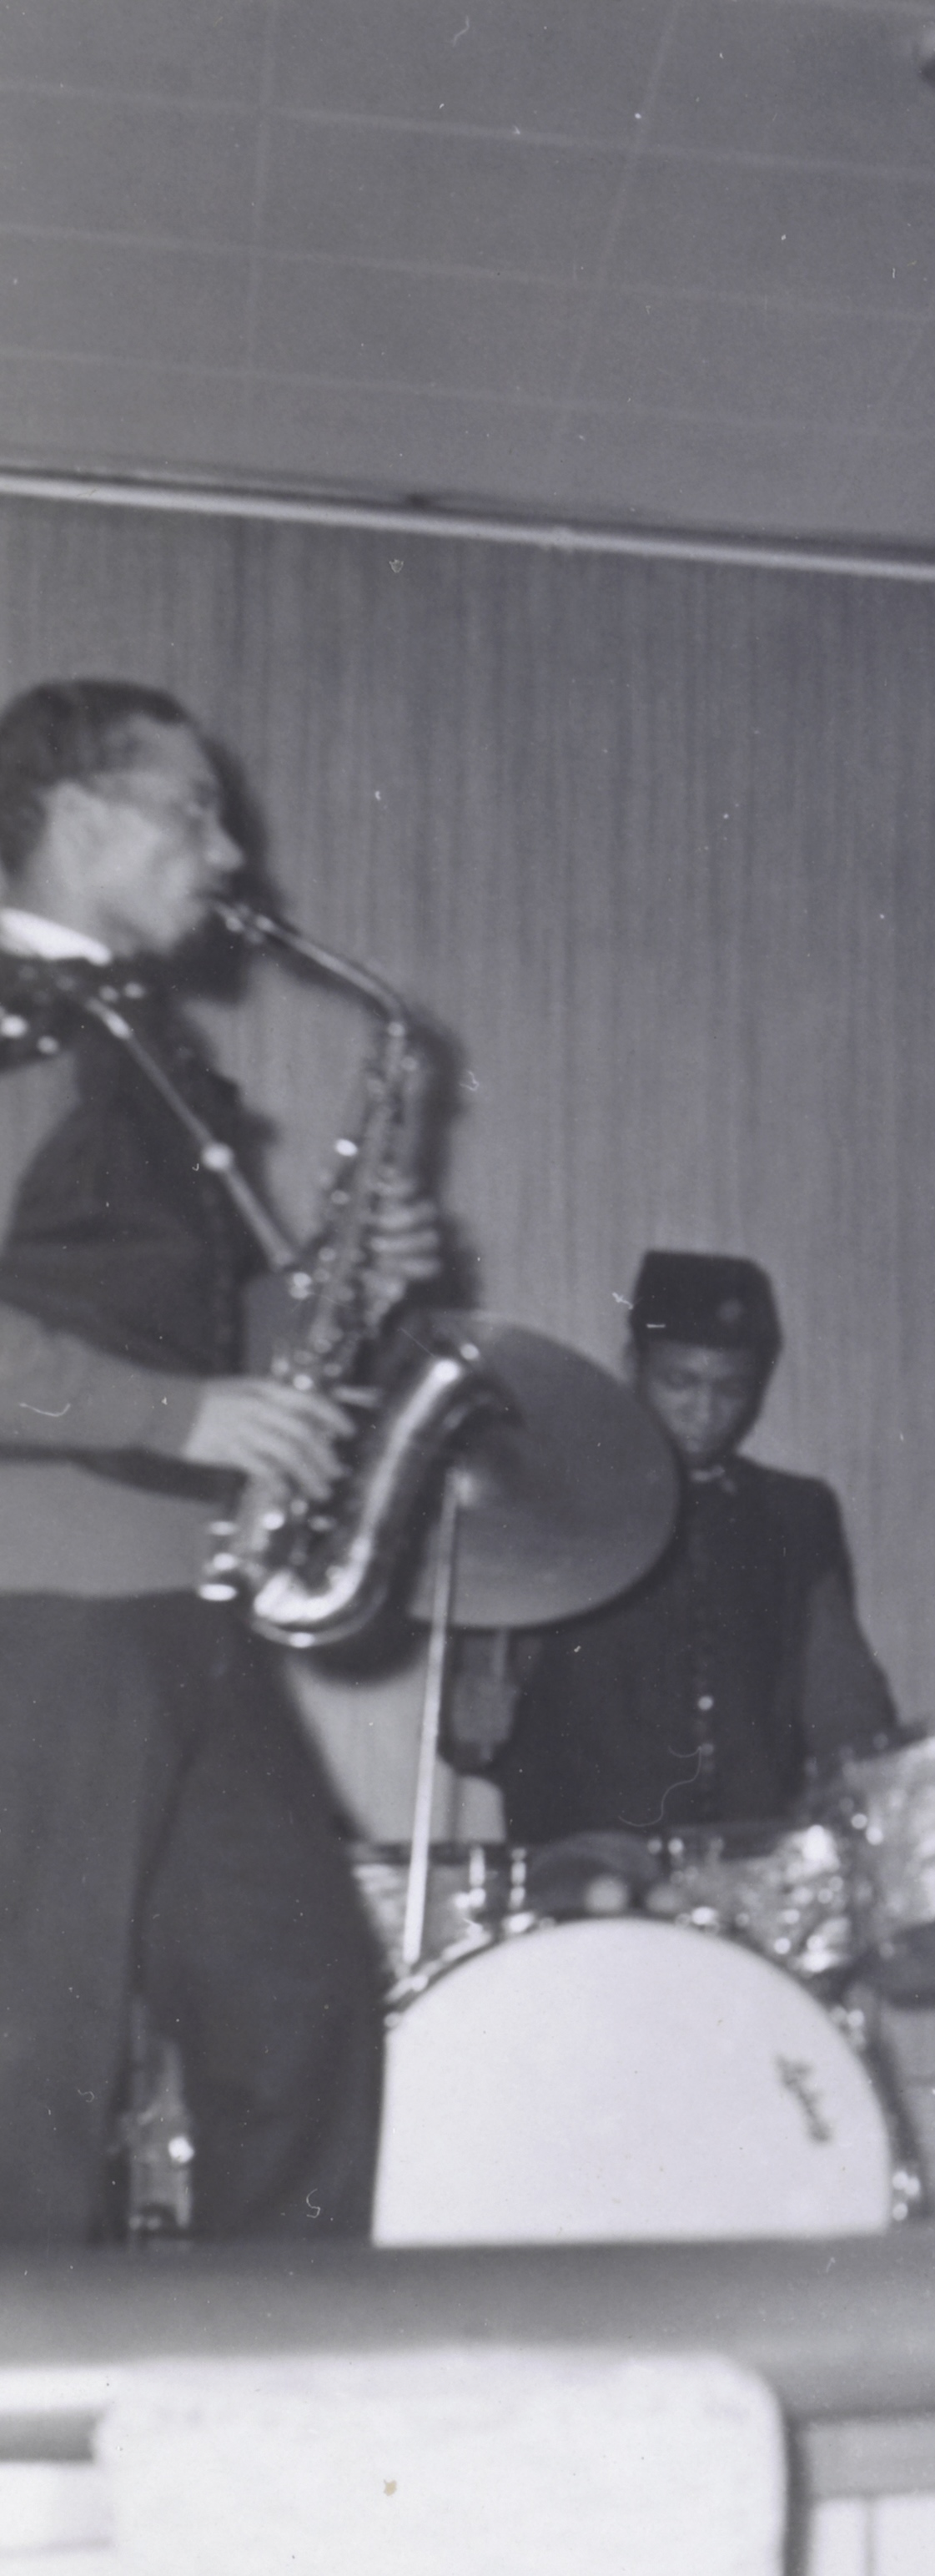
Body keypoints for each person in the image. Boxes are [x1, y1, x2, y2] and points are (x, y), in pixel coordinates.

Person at [0, 677, 445, 2244]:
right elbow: (140, 1382)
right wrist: (182, 1420)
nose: (228, 846)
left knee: (302, 2009)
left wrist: (336, 1288)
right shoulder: (14, 1029)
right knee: (32, 2078)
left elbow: (176, 1325)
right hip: (44, 1613)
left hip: (184, 1616)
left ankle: (281, 2416)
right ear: (73, 818)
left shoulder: (136, 1040)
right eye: (191, 810)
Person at [449, 1250, 898, 1849]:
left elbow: (844, 1704)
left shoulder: (796, 1514)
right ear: (634, 1364)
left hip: (753, 1859)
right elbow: (473, 1723)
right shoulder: (551, 1504)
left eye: (731, 1389)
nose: (706, 1412)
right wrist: (471, 1720)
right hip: (585, 1862)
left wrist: (868, 1787)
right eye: (680, 1382)